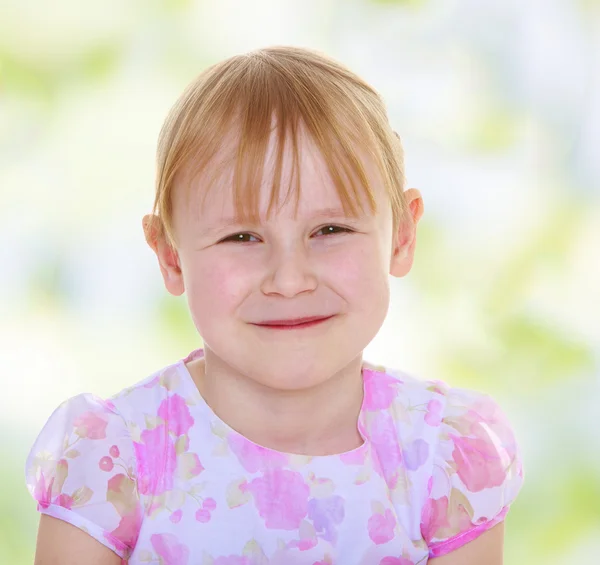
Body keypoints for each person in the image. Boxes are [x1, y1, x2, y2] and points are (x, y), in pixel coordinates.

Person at [25, 46, 524, 565]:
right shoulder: (115, 462)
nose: (289, 279)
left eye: (330, 230)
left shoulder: (445, 459)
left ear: (401, 235)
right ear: (170, 255)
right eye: (242, 236)